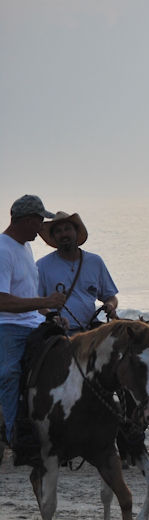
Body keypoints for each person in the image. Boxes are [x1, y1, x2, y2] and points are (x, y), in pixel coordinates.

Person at [0, 195, 68, 462]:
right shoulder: (3, 250)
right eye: (40, 221)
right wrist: (45, 301)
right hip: (8, 327)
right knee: (9, 373)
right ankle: (17, 435)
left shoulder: (25, 248)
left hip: (33, 322)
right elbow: (2, 300)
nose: (43, 228)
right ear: (27, 221)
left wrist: (49, 313)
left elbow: (26, 295)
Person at [36, 211, 119, 333]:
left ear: (76, 232)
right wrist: (52, 317)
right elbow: (35, 302)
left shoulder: (95, 261)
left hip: (90, 331)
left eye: (67, 229)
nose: (63, 234)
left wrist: (111, 305)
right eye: (58, 231)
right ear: (53, 237)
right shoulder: (42, 265)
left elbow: (110, 296)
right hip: (59, 332)